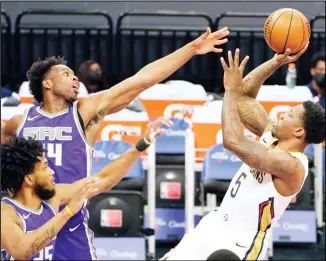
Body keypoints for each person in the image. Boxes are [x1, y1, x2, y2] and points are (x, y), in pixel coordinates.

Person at [1, 26, 229, 260]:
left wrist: (191, 49)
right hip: (29, 219)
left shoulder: (84, 112)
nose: (76, 78)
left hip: (71, 222)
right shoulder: (20, 122)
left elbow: (141, 81)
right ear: (47, 83)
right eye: (66, 73)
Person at [162, 45, 325, 260]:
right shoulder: (271, 133)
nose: (282, 115)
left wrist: (229, 90)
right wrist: (276, 62)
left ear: (298, 131)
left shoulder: (292, 166)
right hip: (214, 224)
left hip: (241, 241)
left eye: (289, 114)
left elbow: (232, 141)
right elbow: (243, 99)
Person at [1, 117, 171, 260]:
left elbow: (103, 178)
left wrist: (141, 145)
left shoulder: (54, 197)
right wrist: (67, 212)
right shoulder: (6, 213)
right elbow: (22, 251)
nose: (52, 172)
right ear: (29, 179)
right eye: (45, 167)